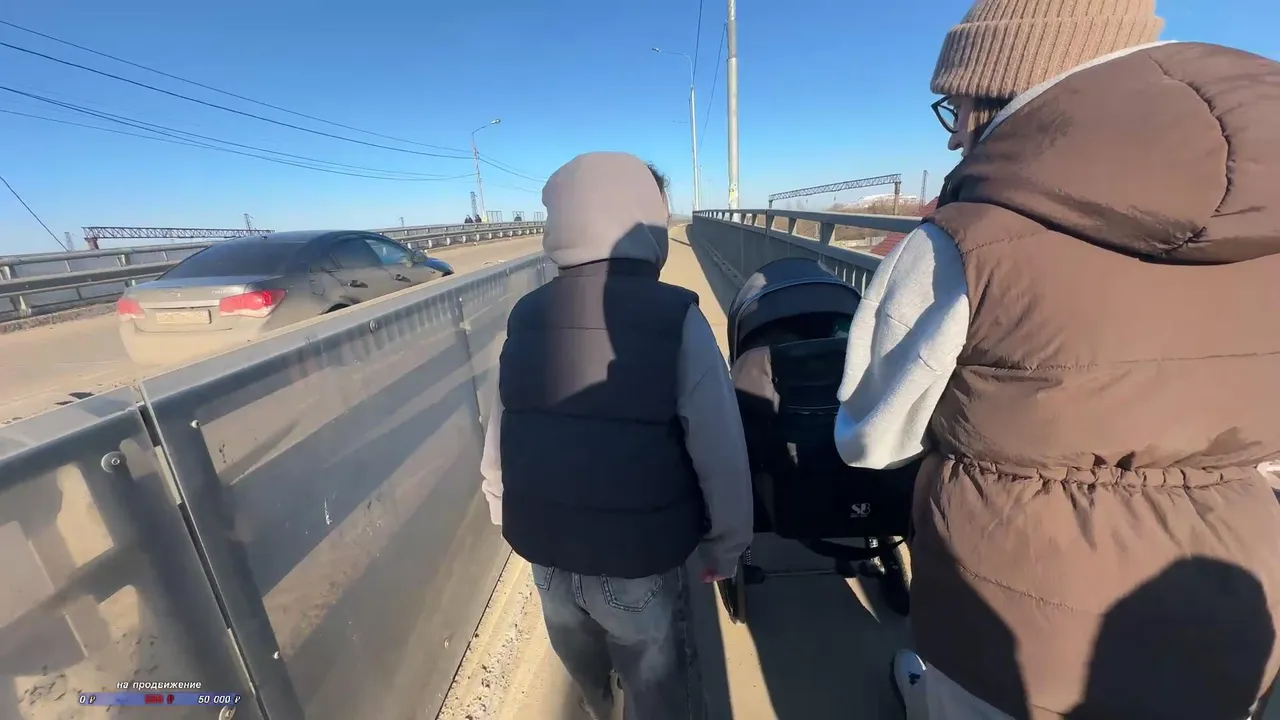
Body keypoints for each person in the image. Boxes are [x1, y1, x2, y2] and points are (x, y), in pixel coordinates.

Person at [833, 1, 1280, 718]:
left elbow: (871, 438)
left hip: (1012, 615)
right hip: (1234, 593)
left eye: (956, 108)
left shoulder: (963, 240)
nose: (954, 137)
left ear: (1000, 87)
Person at [479, 152, 754, 719]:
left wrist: (502, 507)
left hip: (547, 555)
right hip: (637, 564)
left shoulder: (526, 316)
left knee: (589, 681)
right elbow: (720, 449)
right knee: (657, 692)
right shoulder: (677, 317)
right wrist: (725, 545)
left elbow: (503, 425)